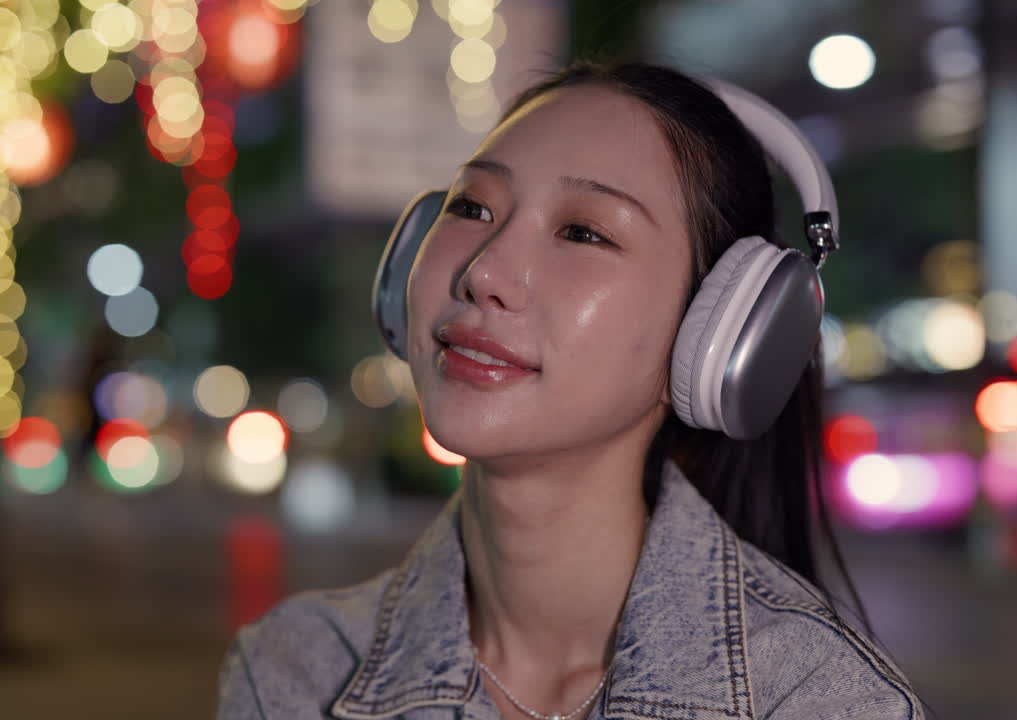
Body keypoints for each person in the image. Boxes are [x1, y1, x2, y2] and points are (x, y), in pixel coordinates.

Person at [217, 60, 923, 720]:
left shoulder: (818, 700)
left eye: (582, 232)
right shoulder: (292, 673)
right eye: (471, 208)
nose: (485, 273)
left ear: (725, 335)